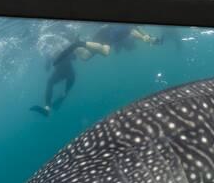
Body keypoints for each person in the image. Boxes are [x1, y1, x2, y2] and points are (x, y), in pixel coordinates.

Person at [30, 24, 160, 116]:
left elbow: (52, 65)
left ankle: (47, 107)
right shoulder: (128, 29)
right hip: (71, 74)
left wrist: (147, 38)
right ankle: (78, 43)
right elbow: (73, 58)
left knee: (84, 58)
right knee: (101, 52)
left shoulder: (51, 53)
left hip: (61, 71)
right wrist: (147, 38)